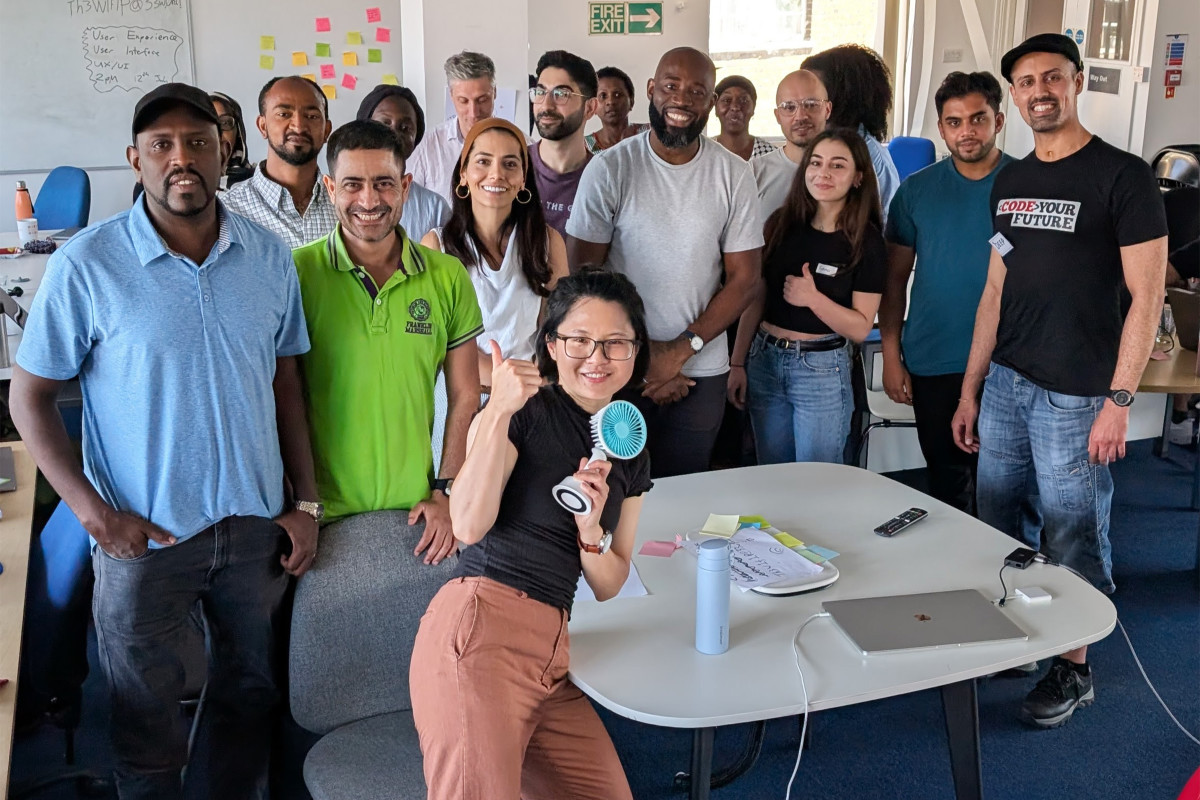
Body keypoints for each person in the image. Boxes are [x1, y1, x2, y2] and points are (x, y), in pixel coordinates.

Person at [10, 83, 320, 799]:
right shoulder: (88, 264)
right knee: (144, 724)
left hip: (254, 530)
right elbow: (29, 399)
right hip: (144, 538)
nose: (182, 158)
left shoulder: (269, 258)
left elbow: (286, 385)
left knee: (249, 701)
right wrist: (93, 515)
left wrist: (306, 503)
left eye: (199, 142)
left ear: (225, 151)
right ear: (136, 160)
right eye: (161, 145)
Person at [950, 34, 1167, 728]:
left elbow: (1148, 296)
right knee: (998, 520)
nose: (1038, 91)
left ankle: (1074, 666)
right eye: (1025, 82)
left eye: (1051, 77)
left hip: (1076, 394)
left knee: (1073, 529)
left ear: (1075, 82)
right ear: (1014, 97)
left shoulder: (1122, 177)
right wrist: (971, 387)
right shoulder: (1011, 181)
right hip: (1008, 383)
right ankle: (1022, 636)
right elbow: (995, 289)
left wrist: (1119, 401)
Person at [411, 270, 652, 800]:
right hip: (482, 632)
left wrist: (590, 529)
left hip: (552, 657)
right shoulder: (522, 412)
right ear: (552, 344)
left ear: (636, 350)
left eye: (616, 343)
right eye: (579, 340)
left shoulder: (629, 448)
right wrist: (497, 408)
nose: (597, 358)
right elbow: (467, 525)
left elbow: (610, 582)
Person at [292, 120, 484, 565]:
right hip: (321, 517)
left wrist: (446, 490)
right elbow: (283, 398)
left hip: (417, 514)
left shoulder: (447, 276)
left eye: (383, 183)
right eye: (352, 185)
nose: (369, 200)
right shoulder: (297, 274)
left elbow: (465, 394)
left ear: (405, 186)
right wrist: (301, 505)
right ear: (330, 188)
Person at [567, 47, 763, 478]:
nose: (681, 99)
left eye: (697, 91)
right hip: (615, 364)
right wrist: (643, 357)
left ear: (711, 102)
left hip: (700, 371)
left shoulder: (734, 174)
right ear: (652, 90)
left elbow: (745, 280)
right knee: (612, 490)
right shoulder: (610, 168)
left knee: (685, 494)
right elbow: (583, 278)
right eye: (671, 86)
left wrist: (678, 352)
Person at [878, 71, 1013, 514]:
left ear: (998, 120)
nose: (966, 131)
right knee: (947, 484)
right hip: (934, 357)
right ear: (941, 128)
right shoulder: (916, 191)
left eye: (978, 119)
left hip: (1009, 362)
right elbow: (893, 281)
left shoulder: (1027, 184)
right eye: (954, 122)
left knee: (1008, 489)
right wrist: (892, 356)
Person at [728, 128, 885, 464]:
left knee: (817, 480)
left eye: (837, 165)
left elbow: (860, 327)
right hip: (765, 360)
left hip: (821, 369)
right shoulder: (781, 224)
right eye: (816, 163)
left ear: (858, 177)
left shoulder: (866, 241)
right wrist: (738, 362)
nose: (823, 173)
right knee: (772, 473)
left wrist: (813, 298)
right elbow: (757, 296)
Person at [422, 117, 568, 393]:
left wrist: (534, 381)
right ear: (463, 173)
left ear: (523, 178)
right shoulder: (437, 246)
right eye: (483, 161)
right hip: (460, 395)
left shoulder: (548, 243)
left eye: (510, 164)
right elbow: (437, 340)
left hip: (533, 392)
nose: (496, 174)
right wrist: (504, 378)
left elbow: (559, 330)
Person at [223, 76, 336, 248]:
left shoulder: (348, 204)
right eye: (284, 114)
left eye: (312, 116)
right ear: (263, 126)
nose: (298, 126)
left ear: (326, 130)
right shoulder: (229, 212)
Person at [802, 45, 900, 221]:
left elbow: (881, 226)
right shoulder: (818, 142)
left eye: (813, 89)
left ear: (843, 95)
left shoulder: (870, 157)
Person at [357, 83, 452, 240]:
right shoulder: (345, 199)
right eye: (384, 124)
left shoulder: (436, 208)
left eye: (405, 128)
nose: (393, 133)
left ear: (415, 138)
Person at [409, 51, 499, 204]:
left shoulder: (522, 145)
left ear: (494, 92)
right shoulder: (426, 147)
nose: (473, 113)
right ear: (451, 95)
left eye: (482, 100)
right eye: (463, 101)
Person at [529, 49, 598, 237]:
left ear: (590, 108)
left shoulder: (602, 178)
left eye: (561, 94)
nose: (546, 105)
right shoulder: (513, 166)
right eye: (540, 92)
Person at [751, 69, 831, 221]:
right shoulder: (754, 174)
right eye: (789, 107)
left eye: (811, 105)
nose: (801, 116)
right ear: (778, 116)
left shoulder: (849, 171)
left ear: (827, 110)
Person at [712, 75, 775, 161]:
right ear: (715, 107)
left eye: (744, 100)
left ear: (753, 107)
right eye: (727, 100)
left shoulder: (771, 155)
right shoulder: (703, 153)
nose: (735, 107)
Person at [584, 66, 644, 154]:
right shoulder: (584, 148)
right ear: (593, 106)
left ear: (631, 101)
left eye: (617, 95)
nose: (610, 102)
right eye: (603, 96)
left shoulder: (650, 134)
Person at [209, 91, 255, 188]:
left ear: (238, 132)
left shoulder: (260, 183)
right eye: (207, 124)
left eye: (225, 123)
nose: (217, 134)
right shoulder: (183, 186)